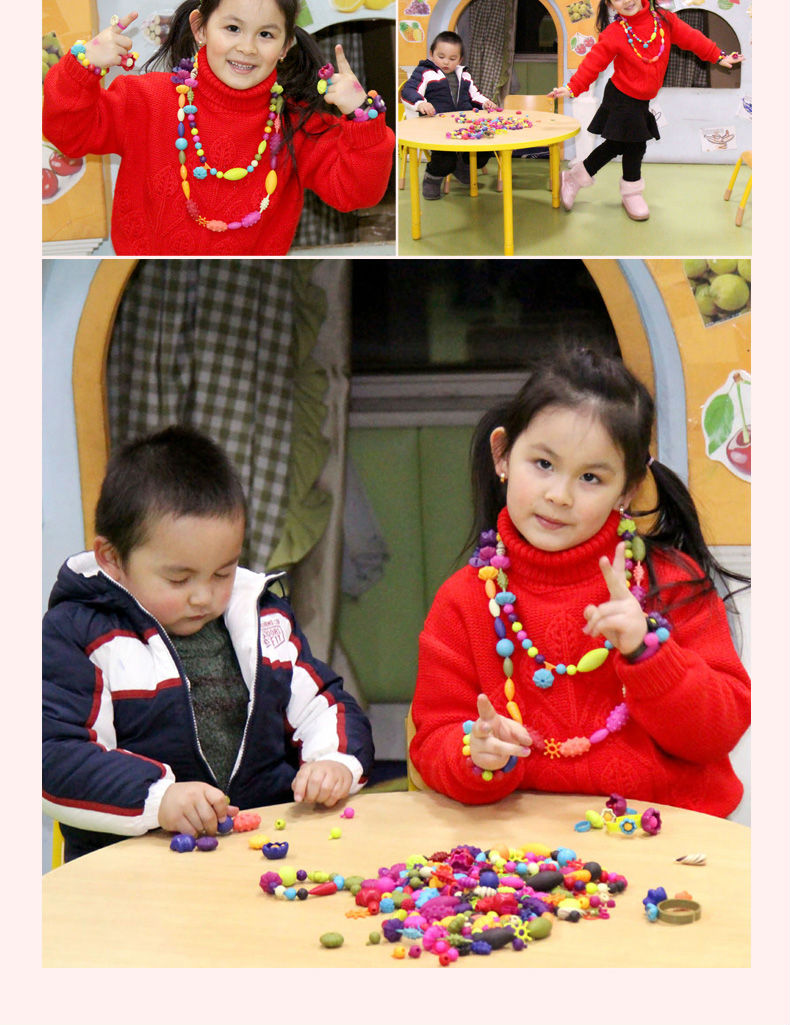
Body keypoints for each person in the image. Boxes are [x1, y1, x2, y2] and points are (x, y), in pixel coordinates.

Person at [410, 349, 750, 817]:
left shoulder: (669, 583)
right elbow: (433, 740)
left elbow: (718, 733)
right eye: (543, 464)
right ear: (503, 454)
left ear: (627, 490)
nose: (559, 495)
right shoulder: (465, 599)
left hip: (667, 838)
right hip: (524, 845)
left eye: (590, 477)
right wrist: (476, 755)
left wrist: (648, 651)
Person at [43, 425, 374, 861]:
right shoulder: (79, 635)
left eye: (223, 572)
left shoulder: (262, 618)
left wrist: (334, 760)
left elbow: (324, 704)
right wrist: (160, 799)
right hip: (134, 868)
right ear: (112, 559)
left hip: (260, 853)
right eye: (179, 579)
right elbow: (55, 758)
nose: (204, 596)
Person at [41, 0, 394, 255]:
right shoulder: (144, 99)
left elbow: (357, 194)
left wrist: (362, 116)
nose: (247, 47)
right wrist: (82, 66)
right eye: (232, 28)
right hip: (143, 280)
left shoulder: (295, 121)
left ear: (286, 45)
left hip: (250, 288)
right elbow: (70, 135)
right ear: (200, 29)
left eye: (266, 34)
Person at [548, 0, 743, 220]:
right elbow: (593, 63)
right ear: (611, 5)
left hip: (641, 100)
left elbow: (693, 38)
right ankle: (626, 192)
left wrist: (718, 55)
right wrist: (572, 87)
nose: (626, 0)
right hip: (621, 96)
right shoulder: (615, 32)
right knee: (629, 145)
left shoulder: (664, 21)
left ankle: (581, 179)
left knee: (627, 145)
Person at [401, 30, 496, 200]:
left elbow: (475, 95)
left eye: (452, 59)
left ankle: (463, 166)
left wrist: (485, 103)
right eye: (441, 56)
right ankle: (432, 178)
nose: (446, 62)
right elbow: (408, 91)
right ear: (432, 54)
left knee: (486, 150)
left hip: (465, 127)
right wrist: (421, 103)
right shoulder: (425, 72)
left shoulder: (464, 75)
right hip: (437, 129)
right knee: (445, 160)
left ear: (460, 60)